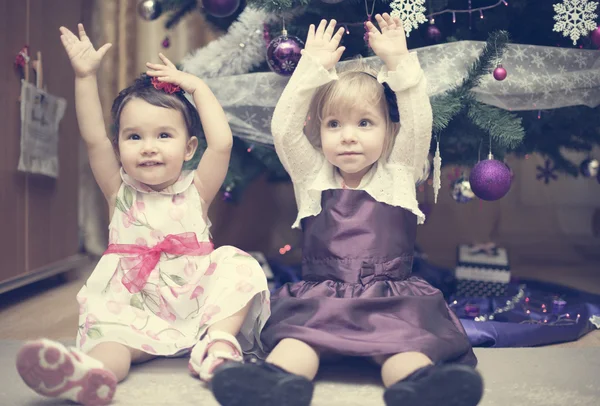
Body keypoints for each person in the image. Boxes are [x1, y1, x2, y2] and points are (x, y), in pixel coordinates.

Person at [211, 15, 482, 406]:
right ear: (320, 132)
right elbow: (283, 130)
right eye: (334, 124)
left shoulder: (399, 172)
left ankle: (420, 388)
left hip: (389, 300)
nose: (348, 136)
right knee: (297, 343)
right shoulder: (312, 175)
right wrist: (311, 69)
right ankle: (276, 385)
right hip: (322, 299)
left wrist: (398, 62)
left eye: (365, 123)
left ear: (389, 132)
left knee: (401, 349)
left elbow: (419, 123)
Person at [15, 23, 270, 406]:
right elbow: (92, 137)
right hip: (134, 305)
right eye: (134, 137)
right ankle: (90, 374)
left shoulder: (196, 189)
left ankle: (219, 344)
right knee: (113, 339)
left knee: (238, 264)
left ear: (189, 148)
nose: (148, 148)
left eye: (164, 136)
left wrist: (197, 87)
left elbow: (224, 141)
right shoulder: (118, 190)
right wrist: (85, 76)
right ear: (118, 146)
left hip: (194, 301)